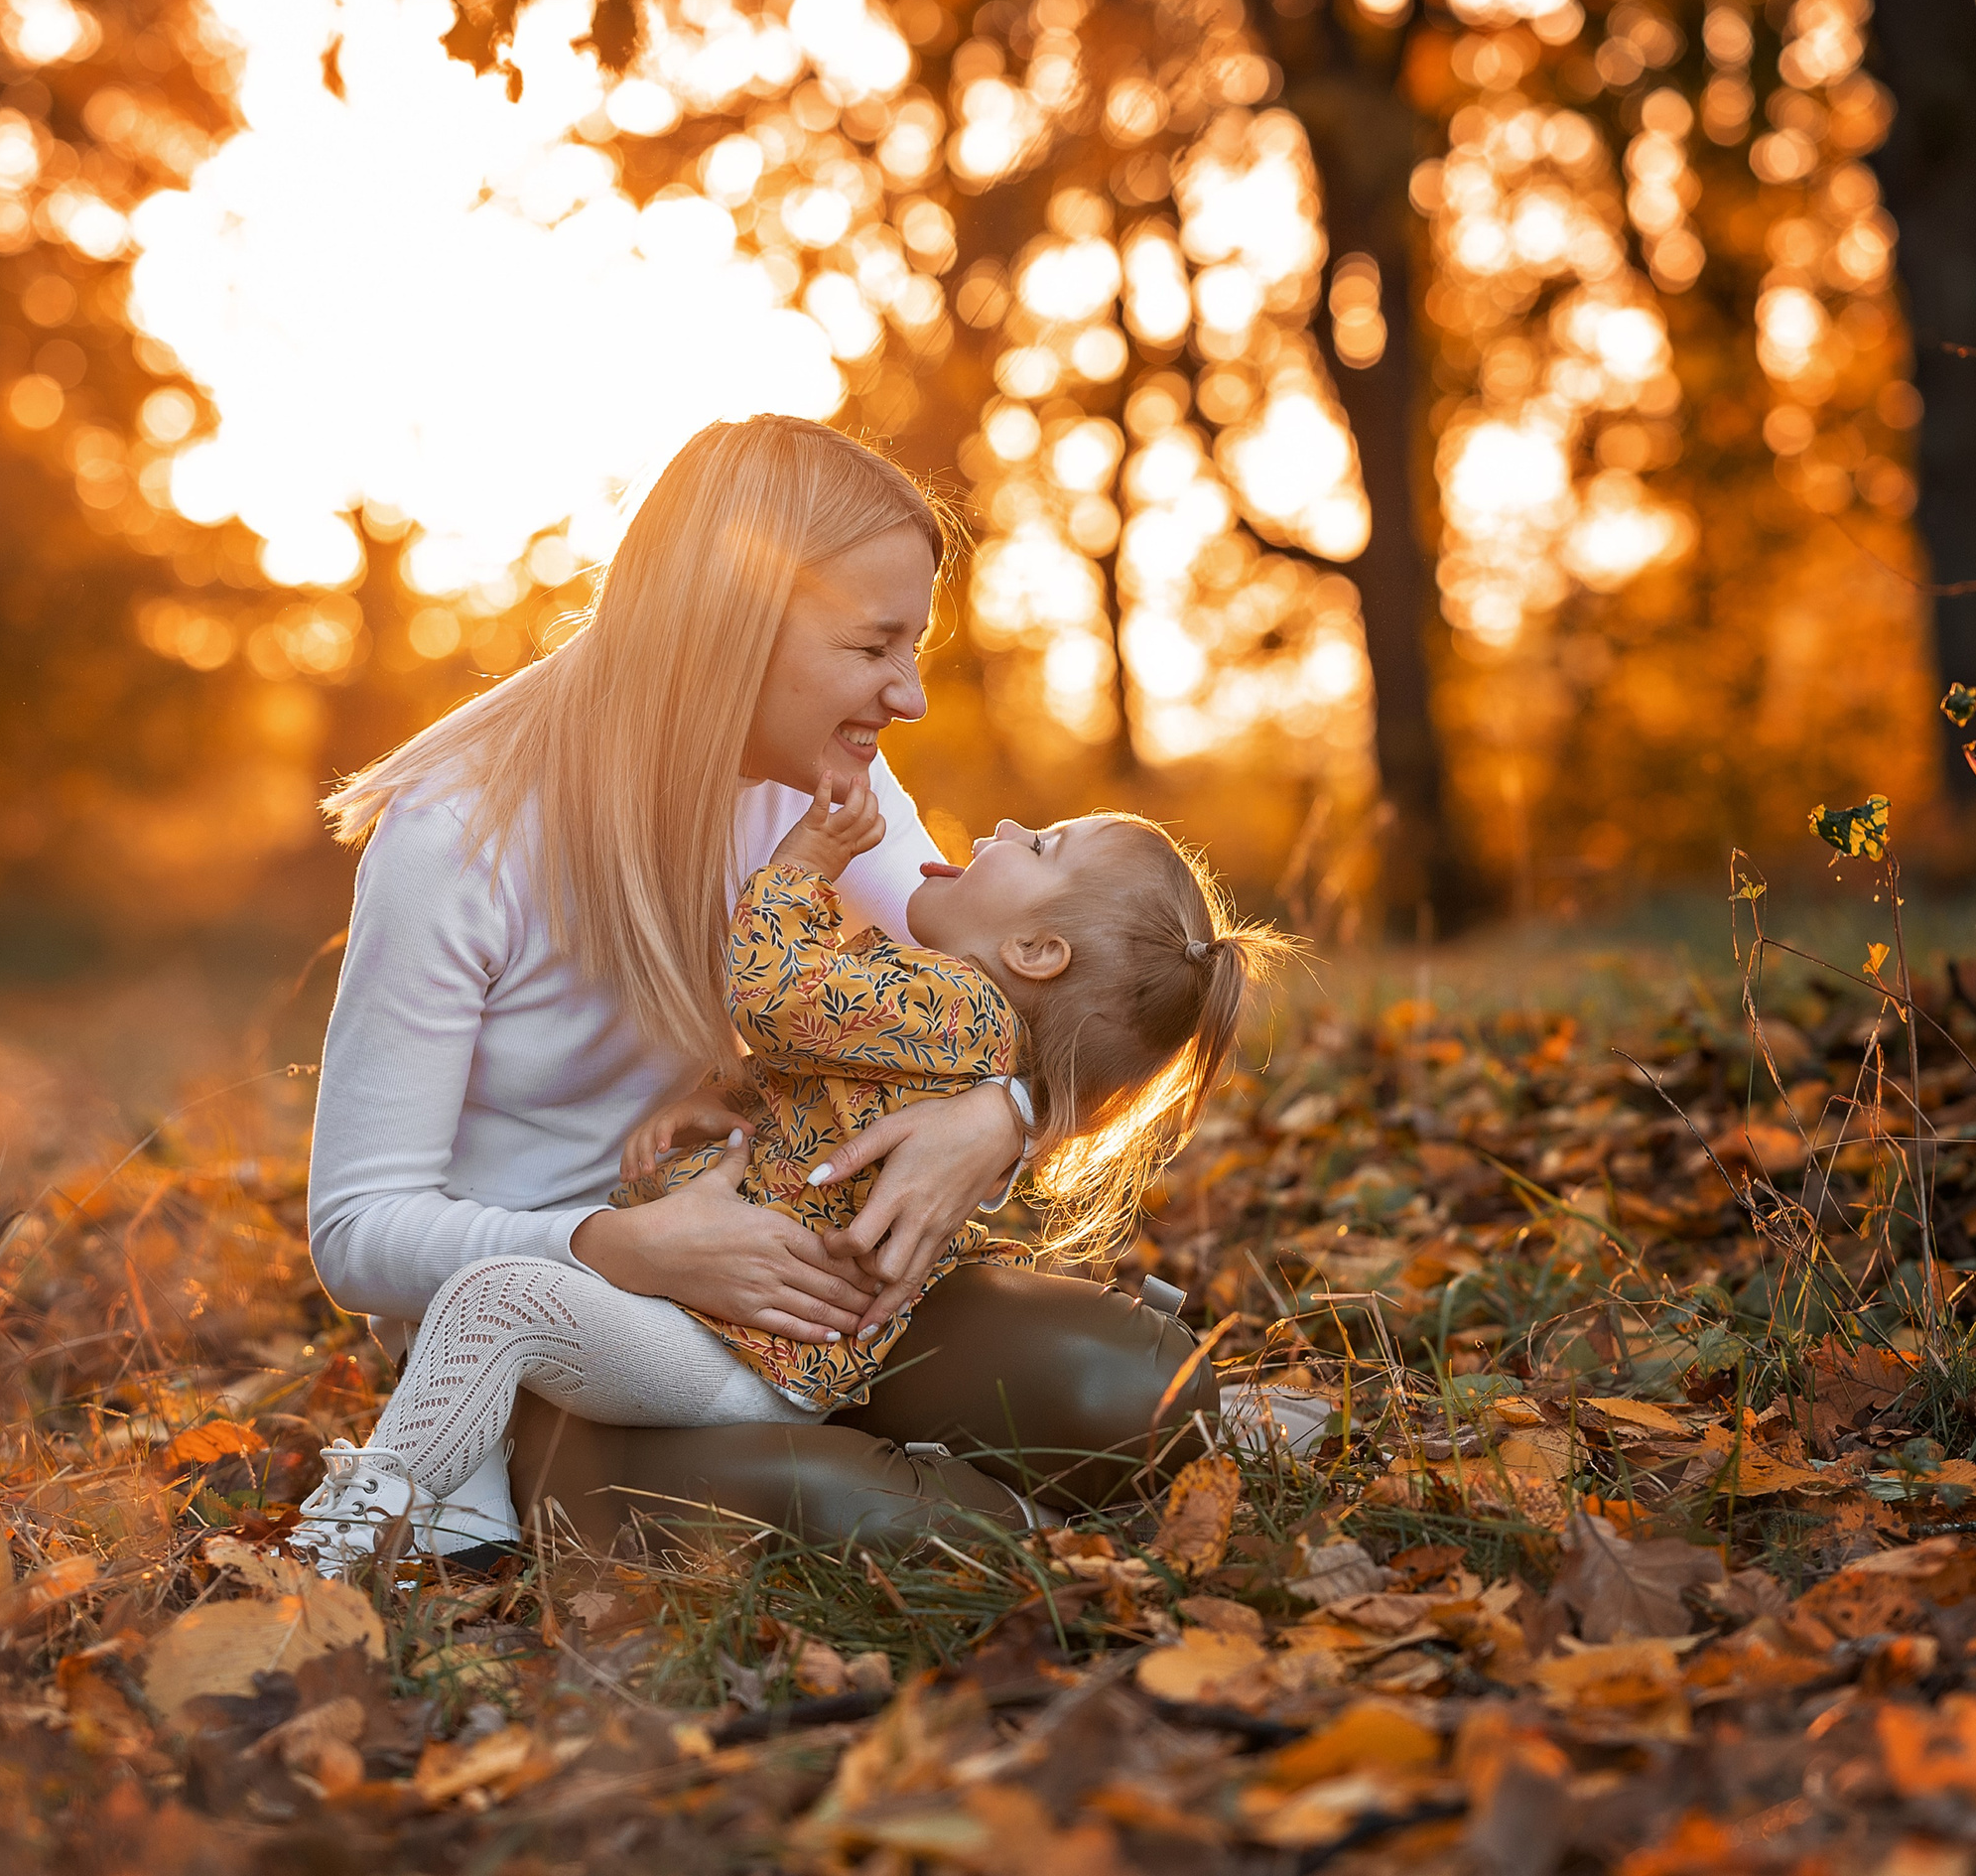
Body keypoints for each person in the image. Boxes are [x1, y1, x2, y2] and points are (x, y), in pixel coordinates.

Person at [297, 414, 1326, 1566]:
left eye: (913, 648)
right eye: (874, 645)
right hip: (572, 1328)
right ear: (729, 627)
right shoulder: (457, 835)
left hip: (806, 1292)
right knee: (861, 1520)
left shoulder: (830, 778)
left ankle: (903, 1451)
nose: (910, 698)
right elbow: (356, 1235)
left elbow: (1062, 996)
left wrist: (1004, 1116)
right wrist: (612, 1245)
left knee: (1131, 1391)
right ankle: (526, 1500)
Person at [288, 764, 1296, 1572]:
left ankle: (337, 1549)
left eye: (1036, 847)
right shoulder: (948, 1013)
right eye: (871, 647)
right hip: (745, 1336)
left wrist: (804, 862)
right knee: (494, 1306)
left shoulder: (948, 1004)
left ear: (1035, 950)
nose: (997, 831)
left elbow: (777, 993)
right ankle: (444, 1523)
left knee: (493, 1302)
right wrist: (715, 1102)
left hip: (740, 1347)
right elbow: (813, 1076)